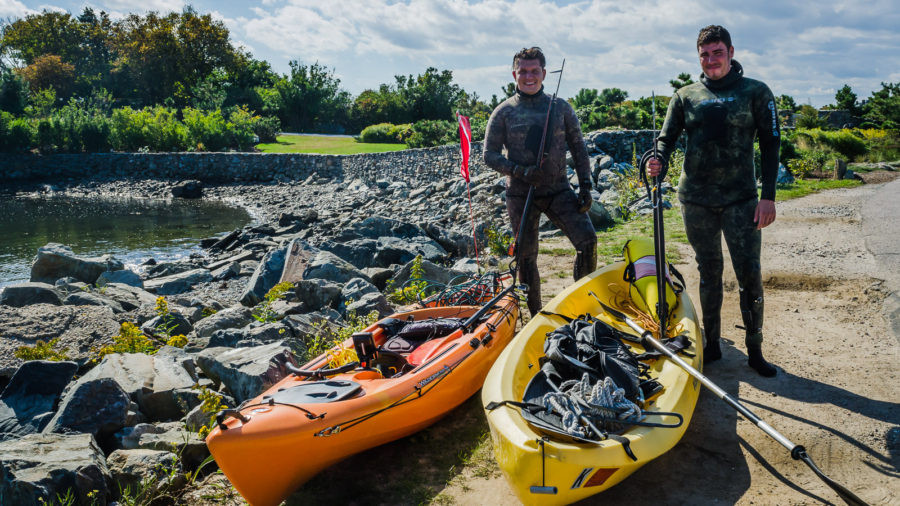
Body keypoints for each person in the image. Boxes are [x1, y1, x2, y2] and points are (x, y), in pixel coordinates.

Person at [646, 25, 779, 377]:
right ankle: (714, 344)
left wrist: (768, 197)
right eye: (704, 54)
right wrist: (656, 159)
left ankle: (755, 348)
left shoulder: (756, 92)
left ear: (731, 52)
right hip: (696, 199)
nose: (711, 60)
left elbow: (770, 145)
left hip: (742, 200)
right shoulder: (686, 95)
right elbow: (666, 139)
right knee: (709, 272)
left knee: (749, 273)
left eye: (717, 52)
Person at [483, 46, 596, 317]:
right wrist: (520, 171)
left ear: (544, 73)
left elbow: (579, 148)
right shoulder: (503, 112)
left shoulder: (561, 108)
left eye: (535, 71)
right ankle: (536, 316)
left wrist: (586, 186)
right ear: (514, 74)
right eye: (523, 71)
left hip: (559, 189)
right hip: (521, 195)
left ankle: (580, 304)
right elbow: (489, 155)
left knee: (588, 241)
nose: (529, 76)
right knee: (525, 256)